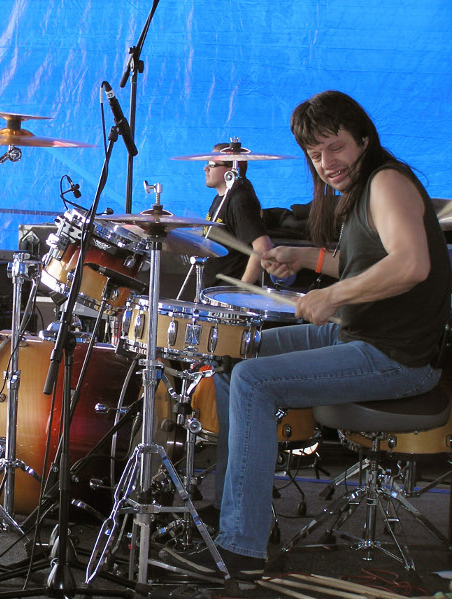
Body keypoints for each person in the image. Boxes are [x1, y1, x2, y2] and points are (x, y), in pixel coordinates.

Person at [168, 91, 450, 585]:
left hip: (397, 357)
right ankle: (236, 510)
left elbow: (411, 264)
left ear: (363, 139)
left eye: (335, 147)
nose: (326, 162)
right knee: (236, 356)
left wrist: (334, 295)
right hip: (357, 334)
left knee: (254, 380)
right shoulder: (359, 190)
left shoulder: (387, 182)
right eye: (315, 154)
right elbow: (365, 263)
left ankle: (242, 550)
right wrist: (303, 258)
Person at [200, 142, 273, 290]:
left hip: (229, 294)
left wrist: (240, 292)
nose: (205, 168)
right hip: (214, 292)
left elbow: (262, 247)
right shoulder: (220, 199)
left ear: (230, 170)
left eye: (212, 164)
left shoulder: (239, 200)